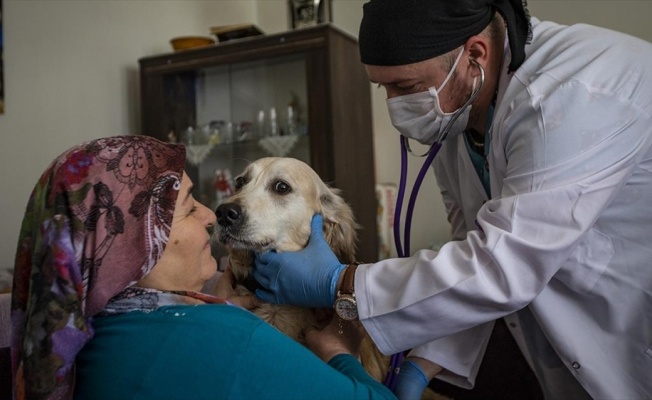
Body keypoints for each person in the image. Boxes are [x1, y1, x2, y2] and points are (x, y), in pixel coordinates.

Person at [252, 0, 652, 399]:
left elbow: (501, 266)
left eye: (405, 87)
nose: (394, 108)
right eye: (383, 88)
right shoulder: (459, 115)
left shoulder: (570, 95)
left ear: (475, 54)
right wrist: (424, 362)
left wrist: (339, 282)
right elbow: (472, 253)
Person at [10, 135, 397, 400]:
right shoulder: (226, 337)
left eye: (279, 189)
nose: (216, 213)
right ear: (133, 241)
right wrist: (338, 350)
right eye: (190, 207)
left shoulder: (85, 333)